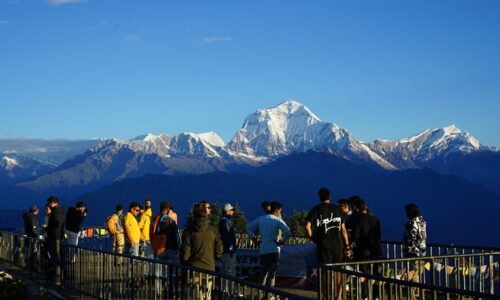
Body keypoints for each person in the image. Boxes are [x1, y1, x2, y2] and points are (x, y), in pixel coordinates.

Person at [305, 188, 351, 300]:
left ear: (319, 197)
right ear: (330, 197)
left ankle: (325, 296)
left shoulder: (316, 209)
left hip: (323, 246)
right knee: (339, 272)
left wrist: (312, 238)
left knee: (324, 272)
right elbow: (343, 230)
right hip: (338, 245)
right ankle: (338, 296)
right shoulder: (337, 209)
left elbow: (307, 226)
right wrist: (347, 246)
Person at [181, 202, 223, 300]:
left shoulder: (188, 231)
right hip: (209, 268)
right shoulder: (213, 230)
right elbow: (219, 249)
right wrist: (213, 259)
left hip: (194, 269)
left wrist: (186, 262)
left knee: (197, 296)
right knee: (207, 296)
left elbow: (185, 254)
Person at [247, 201, 291, 288]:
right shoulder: (277, 220)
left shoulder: (261, 219)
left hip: (263, 250)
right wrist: (282, 241)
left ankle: (260, 293)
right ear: (277, 210)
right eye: (280, 211)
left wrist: (254, 240)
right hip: (274, 250)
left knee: (263, 274)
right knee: (272, 275)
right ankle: (269, 295)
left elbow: (249, 228)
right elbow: (288, 232)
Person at [351, 198, 382, 299]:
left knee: (363, 275)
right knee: (375, 275)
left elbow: (355, 237)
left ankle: (365, 296)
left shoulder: (359, 220)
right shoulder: (375, 219)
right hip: (375, 251)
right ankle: (376, 296)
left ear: (357, 208)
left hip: (363, 252)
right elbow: (378, 237)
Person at [403, 203, 427, 289]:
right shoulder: (422, 221)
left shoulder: (411, 223)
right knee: (418, 273)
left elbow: (411, 238)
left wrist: (406, 249)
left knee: (412, 275)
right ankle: (419, 293)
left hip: (412, 252)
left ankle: (414, 294)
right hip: (422, 252)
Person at [45, 196, 65, 286]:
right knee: (57, 257)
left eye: (49, 203)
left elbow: (56, 222)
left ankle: (57, 279)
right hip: (58, 237)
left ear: (52, 202)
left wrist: (48, 228)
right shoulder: (61, 211)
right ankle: (58, 278)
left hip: (54, 237)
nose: (48, 204)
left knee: (55, 258)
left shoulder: (55, 212)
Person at [219, 203, 238, 293]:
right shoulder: (226, 222)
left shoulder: (222, 221)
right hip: (228, 252)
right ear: (226, 211)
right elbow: (228, 237)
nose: (232, 212)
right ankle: (230, 291)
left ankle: (224, 290)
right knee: (230, 271)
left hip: (224, 251)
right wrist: (231, 249)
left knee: (225, 271)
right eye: (231, 210)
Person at [23, 205, 39, 275]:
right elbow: (33, 228)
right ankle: (33, 269)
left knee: (29, 253)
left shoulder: (27, 217)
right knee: (33, 253)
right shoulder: (32, 217)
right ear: (35, 211)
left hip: (28, 236)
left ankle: (29, 267)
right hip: (32, 238)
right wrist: (37, 236)